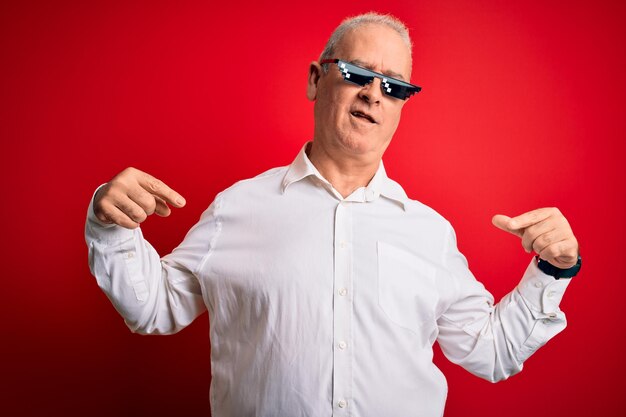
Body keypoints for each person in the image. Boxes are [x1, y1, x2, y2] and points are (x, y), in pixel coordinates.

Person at [85, 12, 581, 417]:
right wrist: (113, 227)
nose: (373, 94)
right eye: (358, 74)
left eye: (394, 87)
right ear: (316, 79)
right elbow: (154, 308)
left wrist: (552, 270)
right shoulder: (238, 207)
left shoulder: (429, 233)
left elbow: (490, 351)